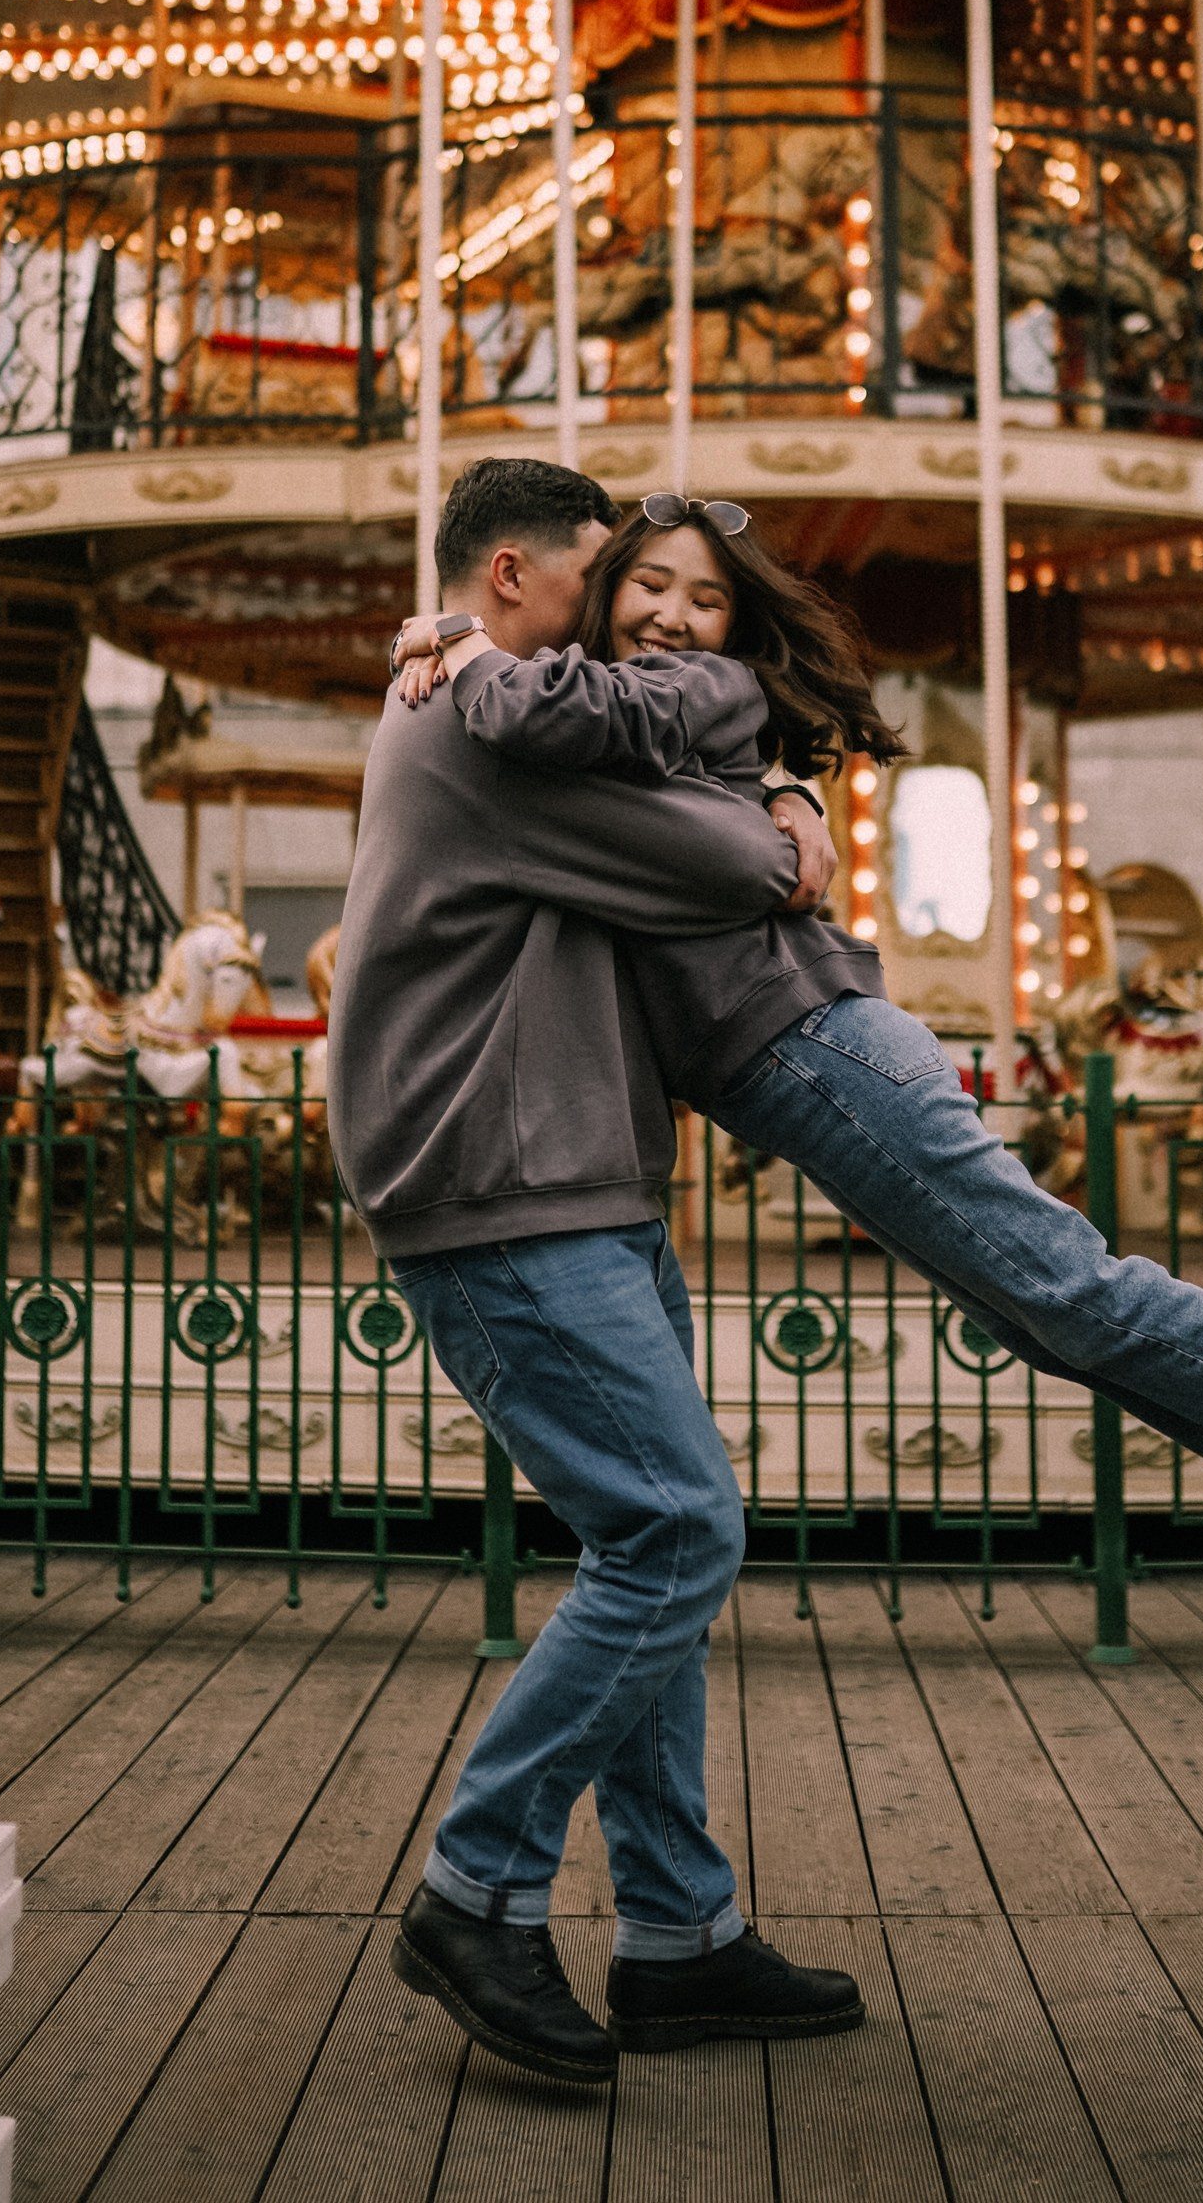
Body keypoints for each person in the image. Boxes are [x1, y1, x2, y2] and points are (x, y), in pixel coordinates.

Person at [389, 488, 1203, 1675]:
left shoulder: (656, 697)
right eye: (646, 585)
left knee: (1062, 1288)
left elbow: (600, 731)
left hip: (820, 1047)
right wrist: (782, 785)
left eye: (703, 598)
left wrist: (455, 637)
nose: (669, 613)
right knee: (1036, 1318)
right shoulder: (616, 716)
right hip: (788, 1064)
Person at [328, 458, 866, 2089]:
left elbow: (719, 803)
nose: (628, 611)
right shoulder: (478, 725)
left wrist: (791, 787)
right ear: (510, 577)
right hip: (502, 1188)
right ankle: (476, 1884)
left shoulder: (513, 703)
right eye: (600, 578)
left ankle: (676, 1932)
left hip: (572, 1171)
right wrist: (785, 823)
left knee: (647, 1540)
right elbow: (729, 870)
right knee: (676, 1532)